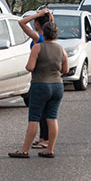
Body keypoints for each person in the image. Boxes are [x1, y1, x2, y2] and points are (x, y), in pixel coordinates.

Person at [10, 22, 69, 158]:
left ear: (43, 33)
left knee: (34, 118)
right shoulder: (61, 49)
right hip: (57, 86)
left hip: (40, 84)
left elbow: (30, 67)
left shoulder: (37, 47)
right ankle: (50, 149)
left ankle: (24, 150)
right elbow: (65, 69)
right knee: (52, 117)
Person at [18, 8, 54, 149]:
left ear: (38, 23)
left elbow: (21, 23)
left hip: (39, 77)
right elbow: (51, 23)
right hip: (49, 76)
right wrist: (47, 15)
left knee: (42, 112)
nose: (33, 23)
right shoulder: (49, 36)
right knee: (46, 112)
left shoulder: (38, 38)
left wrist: (38, 14)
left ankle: (45, 139)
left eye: (35, 21)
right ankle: (43, 138)